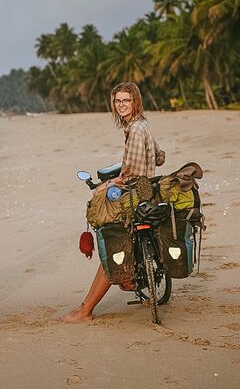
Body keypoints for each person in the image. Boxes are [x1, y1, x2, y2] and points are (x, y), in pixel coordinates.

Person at [60, 82, 162, 322]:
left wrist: (107, 185)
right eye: (118, 101)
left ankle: (85, 310)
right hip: (148, 190)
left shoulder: (135, 129)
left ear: (135, 101)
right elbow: (160, 155)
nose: (121, 105)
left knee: (110, 238)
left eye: (126, 100)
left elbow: (131, 172)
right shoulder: (142, 125)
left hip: (135, 192)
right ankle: (121, 286)